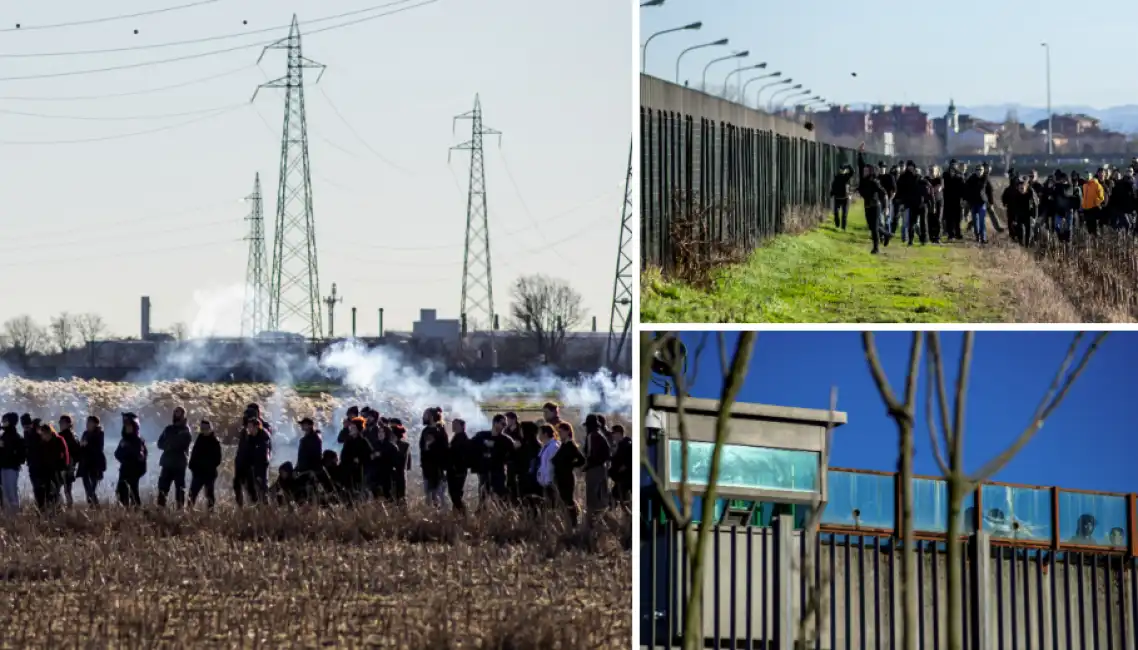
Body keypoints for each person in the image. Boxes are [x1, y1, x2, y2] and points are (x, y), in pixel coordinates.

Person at [156, 406, 193, 509]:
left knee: (180, 489)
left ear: (183, 415)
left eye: (179, 412)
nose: (177, 413)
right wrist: (168, 445)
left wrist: (170, 444)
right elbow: (160, 443)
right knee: (162, 488)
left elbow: (183, 444)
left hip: (179, 463)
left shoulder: (186, 430)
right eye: (175, 411)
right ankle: (160, 510)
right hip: (167, 463)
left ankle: (180, 511)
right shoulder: (168, 429)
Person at [551, 421, 585, 527]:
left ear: (567, 432)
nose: (559, 434)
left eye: (561, 431)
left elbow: (581, 460)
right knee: (563, 499)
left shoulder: (570, 445)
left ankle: (574, 522)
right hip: (560, 477)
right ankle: (568, 521)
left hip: (567, 477)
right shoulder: (563, 445)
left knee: (568, 499)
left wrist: (570, 465)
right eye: (558, 432)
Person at [856, 145, 888, 253]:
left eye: (866, 171)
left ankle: (876, 248)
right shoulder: (863, 179)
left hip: (875, 206)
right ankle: (887, 234)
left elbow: (883, 193)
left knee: (874, 228)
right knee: (872, 226)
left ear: (870, 172)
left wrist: (886, 206)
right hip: (867, 206)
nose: (864, 172)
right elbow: (861, 165)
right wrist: (860, 153)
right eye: (864, 171)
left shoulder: (874, 181)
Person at [234, 416, 272, 506]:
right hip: (250, 467)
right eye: (248, 426)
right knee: (250, 488)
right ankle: (255, 506)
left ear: (256, 427)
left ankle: (265, 507)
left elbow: (263, 455)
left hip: (261, 466)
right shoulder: (249, 438)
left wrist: (258, 471)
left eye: (250, 426)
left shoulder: (264, 437)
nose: (248, 429)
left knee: (262, 488)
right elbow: (245, 453)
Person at [32, 422, 69, 512]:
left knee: (55, 491)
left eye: (44, 434)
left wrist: (64, 468)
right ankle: (45, 510)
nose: (43, 436)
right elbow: (39, 458)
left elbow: (65, 455)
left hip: (57, 470)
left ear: (48, 432)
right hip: (45, 471)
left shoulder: (59, 440)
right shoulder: (42, 443)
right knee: (44, 491)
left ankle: (57, 509)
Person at [583, 415, 611, 527]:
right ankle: (602, 522)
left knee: (592, 497)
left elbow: (589, 455)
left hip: (594, 470)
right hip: (601, 469)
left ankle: (592, 524)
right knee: (601, 495)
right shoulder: (600, 436)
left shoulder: (591, 436)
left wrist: (586, 465)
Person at [114, 413, 147, 508]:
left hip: (134, 470)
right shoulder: (123, 440)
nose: (127, 428)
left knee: (133, 492)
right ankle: (125, 511)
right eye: (126, 426)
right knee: (121, 491)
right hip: (124, 469)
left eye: (130, 426)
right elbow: (117, 454)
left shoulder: (138, 440)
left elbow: (141, 457)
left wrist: (129, 450)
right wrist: (123, 457)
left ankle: (136, 510)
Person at [188, 420, 222, 510]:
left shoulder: (215, 442)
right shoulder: (199, 439)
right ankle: (188, 512)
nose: (204, 430)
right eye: (202, 428)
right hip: (198, 473)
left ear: (210, 429)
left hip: (209, 473)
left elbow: (218, 460)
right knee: (192, 494)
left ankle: (210, 513)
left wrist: (208, 466)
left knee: (209, 495)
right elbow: (194, 455)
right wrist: (192, 466)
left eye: (206, 428)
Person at [338, 416, 372, 501]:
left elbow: (368, 457)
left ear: (358, 429)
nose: (351, 429)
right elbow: (344, 456)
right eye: (350, 427)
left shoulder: (363, 442)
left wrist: (359, 460)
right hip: (346, 472)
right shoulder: (348, 441)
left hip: (357, 474)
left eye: (353, 428)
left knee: (356, 496)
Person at [419, 408, 448, 507]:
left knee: (438, 494)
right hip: (427, 467)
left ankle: (441, 514)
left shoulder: (440, 430)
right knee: (428, 493)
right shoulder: (425, 431)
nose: (423, 417)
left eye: (425, 415)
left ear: (431, 417)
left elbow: (444, 449)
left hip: (437, 468)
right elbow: (422, 447)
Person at [75, 415, 106, 507]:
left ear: (95, 424)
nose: (87, 424)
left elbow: (99, 448)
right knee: (87, 487)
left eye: (90, 422)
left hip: (95, 464)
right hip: (85, 463)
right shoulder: (85, 433)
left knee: (91, 488)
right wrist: (81, 445)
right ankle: (93, 506)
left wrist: (87, 445)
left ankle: (95, 506)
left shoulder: (99, 433)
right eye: (87, 422)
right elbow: (81, 446)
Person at [0, 412, 25, 513]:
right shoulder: (3, 436)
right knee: (5, 492)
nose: (3, 422)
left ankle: (14, 514)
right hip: (3, 467)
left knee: (11, 491)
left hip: (12, 467)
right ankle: (8, 514)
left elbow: (20, 455)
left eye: (5, 420)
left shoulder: (16, 437)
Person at [446, 418, 471, 513]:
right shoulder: (456, 437)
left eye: (455, 424)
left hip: (458, 471)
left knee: (455, 494)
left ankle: (462, 513)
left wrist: (457, 468)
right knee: (454, 494)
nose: (453, 426)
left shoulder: (463, 439)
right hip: (454, 470)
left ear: (461, 426)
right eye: (453, 424)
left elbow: (462, 456)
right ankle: (458, 513)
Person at [56, 415, 80, 508]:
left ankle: (65, 507)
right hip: (65, 466)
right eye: (60, 423)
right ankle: (64, 507)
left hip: (66, 466)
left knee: (64, 489)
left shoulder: (68, 437)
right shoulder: (72, 436)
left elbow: (77, 453)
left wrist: (71, 463)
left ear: (68, 424)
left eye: (62, 423)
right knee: (64, 489)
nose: (60, 424)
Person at [535, 423, 560, 509]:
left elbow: (552, 465)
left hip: (550, 482)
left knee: (553, 505)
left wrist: (549, 480)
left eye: (540, 433)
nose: (538, 436)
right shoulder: (545, 446)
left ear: (545, 434)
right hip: (545, 482)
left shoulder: (554, 446)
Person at [942, 159, 967, 240]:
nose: (953, 166)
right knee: (949, 218)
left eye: (954, 165)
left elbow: (963, 188)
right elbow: (942, 187)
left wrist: (963, 198)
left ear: (956, 165)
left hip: (957, 199)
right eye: (952, 164)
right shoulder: (945, 175)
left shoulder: (960, 175)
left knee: (957, 218)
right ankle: (951, 234)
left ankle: (958, 233)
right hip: (947, 199)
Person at [607, 424, 631, 508]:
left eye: (614, 433)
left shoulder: (626, 445)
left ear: (619, 434)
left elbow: (628, 461)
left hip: (625, 479)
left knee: (619, 498)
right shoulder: (619, 445)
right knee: (616, 497)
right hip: (620, 479)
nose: (612, 436)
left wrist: (623, 468)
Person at [830, 163, 854, 229]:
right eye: (841, 169)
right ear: (839, 170)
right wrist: (832, 193)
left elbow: (852, 172)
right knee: (836, 212)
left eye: (844, 169)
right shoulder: (837, 177)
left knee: (844, 214)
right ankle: (837, 223)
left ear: (846, 170)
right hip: (837, 198)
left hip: (845, 198)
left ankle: (843, 228)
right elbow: (834, 186)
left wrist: (849, 166)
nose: (843, 171)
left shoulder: (847, 176)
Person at [1082, 171, 1107, 235]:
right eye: (1086, 176)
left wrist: (1095, 202)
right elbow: (1084, 197)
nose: (1087, 177)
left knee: (1095, 230)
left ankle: (1097, 243)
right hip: (1086, 210)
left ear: (1091, 176)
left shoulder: (1097, 184)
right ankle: (1092, 243)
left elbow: (1102, 197)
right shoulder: (1084, 185)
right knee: (1089, 230)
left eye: (1088, 175)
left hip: (1094, 209)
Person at [927, 166, 945, 244]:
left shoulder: (940, 179)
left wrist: (930, 189)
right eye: (931, 170)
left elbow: (938, 188)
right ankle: (931, 237)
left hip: (938, 202)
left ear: (937, 172)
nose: (932, 172)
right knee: (930, 220)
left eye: (933, 171)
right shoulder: (927, 179)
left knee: (938, 219)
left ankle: (938, 237)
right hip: (930, 202)